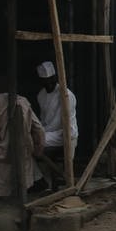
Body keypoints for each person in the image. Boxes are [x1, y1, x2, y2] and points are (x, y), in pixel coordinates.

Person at [32, 61, 78, 192]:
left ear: (55, 78)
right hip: (48, 132)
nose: (48, 84)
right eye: (45, 81)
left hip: (64, 133)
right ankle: (39, 179)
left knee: (33, 142)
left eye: (50, 80)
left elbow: (67, 123)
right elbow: (43, 119)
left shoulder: (66, 95)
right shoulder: (41, 95)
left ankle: (51, 179)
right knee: (27, 142)